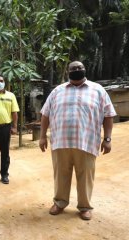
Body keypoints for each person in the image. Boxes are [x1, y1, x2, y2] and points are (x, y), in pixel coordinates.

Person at [39, 61, 116, 221]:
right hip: (60, 142)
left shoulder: (98, 90)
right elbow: (45, 114)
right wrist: (42, 137)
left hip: (86, 142)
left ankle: (85, 206)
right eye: (73, 68)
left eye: (79, 68)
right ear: (68, 71)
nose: (77, 70)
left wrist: (107, 139)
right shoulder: (57, 91)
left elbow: (108, 115)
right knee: (60, 175)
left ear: (85, 69)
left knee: (86, 176)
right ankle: (60, 203)